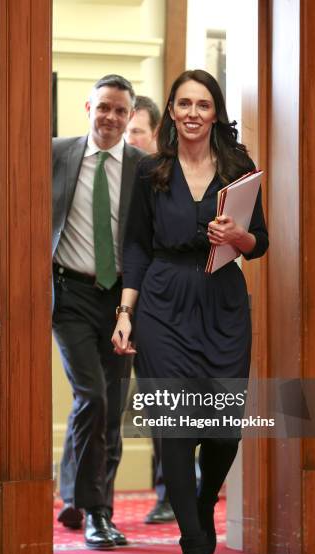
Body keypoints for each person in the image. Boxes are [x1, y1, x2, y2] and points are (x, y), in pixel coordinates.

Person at [112, 69, 268, 554]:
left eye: (203, 104)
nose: (193, 113)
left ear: (216, 112)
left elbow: (259, 243)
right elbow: (135, 246)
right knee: (175, 428)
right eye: (184, 104)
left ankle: (202, 503)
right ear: (172, 113)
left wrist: (239, 236)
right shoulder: (150, 171)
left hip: (222, 299)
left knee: (224, 429)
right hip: (162, 301)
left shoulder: (239, 169)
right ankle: (194, 545)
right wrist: (126, 314)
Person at [52, 74, 146, 550]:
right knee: (91, 395)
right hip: (69, 296)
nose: (110, 117)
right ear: (88, 107)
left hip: (121, 304)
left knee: (109, 408)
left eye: (120, 111)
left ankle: (87, 501)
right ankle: (95, 513)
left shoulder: (144, 169)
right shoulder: (54, 154)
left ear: (130, 118)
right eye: (103, 107)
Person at [126, 96, 175, 525]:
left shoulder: (162, 177)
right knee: (98, 398)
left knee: (161, 396)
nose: (129, 139)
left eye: (137, 131)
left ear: (154, 134)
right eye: (126, 131)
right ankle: (84, 500)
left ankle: (169, 490)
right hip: (105, 298)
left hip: (157, 300)